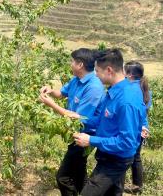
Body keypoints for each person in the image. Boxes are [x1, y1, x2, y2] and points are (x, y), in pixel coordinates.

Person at [72, 49, 146, 196]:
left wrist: (91, 140)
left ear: (109, 70)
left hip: (116, 160)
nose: (95, 75)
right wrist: (78, 119)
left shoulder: (126, 100)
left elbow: (127, 142)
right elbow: (100, 120)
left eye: (97, 71)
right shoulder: (114, 91)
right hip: (109, 155)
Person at [39, 48, 104, 196]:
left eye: (72, 61)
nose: (70, 64)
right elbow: (62, 93)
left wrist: (51, 105)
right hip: (75, 133)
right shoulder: (77, 79)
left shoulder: (93, 87)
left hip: (85, 137)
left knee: (63, 177)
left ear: (80, 65)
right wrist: (50, 91)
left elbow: (78, 118)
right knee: (79, 172)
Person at [123, 61, 151, 194]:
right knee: (136, 157)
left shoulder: (132, 90)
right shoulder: (145, 89)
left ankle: (121, 184)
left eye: (124, 71)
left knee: (125, 156)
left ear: (129, 75)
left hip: (136, 127)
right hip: (142, 127)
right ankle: (137, 186)